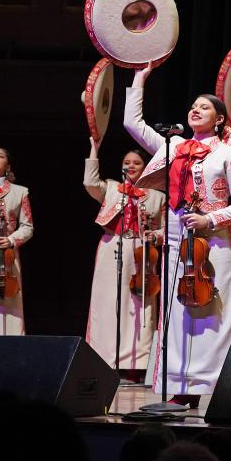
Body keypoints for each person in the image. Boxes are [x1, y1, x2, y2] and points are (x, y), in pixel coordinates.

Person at [124, 63, 231, 406]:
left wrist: (210, 220)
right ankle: (180, 385)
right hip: (176, 241)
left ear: (220, 119)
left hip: (213, 243)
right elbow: (131, 124)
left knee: (215, 312)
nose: (196, 109)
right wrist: (140, 77)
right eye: (194, 105)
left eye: (205, 106)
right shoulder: (173, 146)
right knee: (178, 311)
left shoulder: (229, 153)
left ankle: (215, 383)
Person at [84, 138, 165, 379]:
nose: (130, 166)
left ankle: (136, 364)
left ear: (145, 167)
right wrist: (95, 148)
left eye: (136, 163)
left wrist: (155, 235)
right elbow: (89, 181)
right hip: (111, 247)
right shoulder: (110, 188)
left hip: (142, 251)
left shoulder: (156, 196)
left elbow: (166, 229)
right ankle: (104, 361)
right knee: (107, 303)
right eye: (126, 162)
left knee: (139, 306)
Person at [0, 147, 33, 335]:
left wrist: (10, 240)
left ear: (8, 166)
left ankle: (9, 345)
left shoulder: (20, 192)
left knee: (8, 300)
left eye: (0, 156)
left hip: (5, 251)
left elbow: (28, 226)